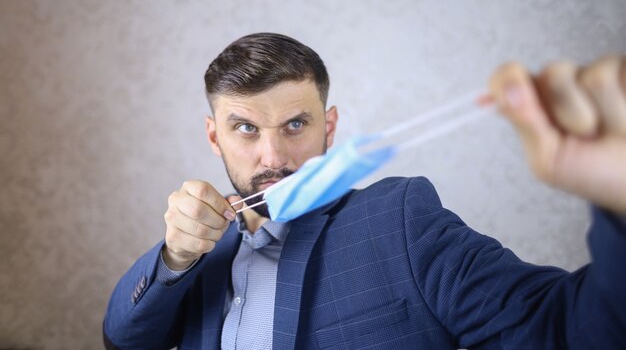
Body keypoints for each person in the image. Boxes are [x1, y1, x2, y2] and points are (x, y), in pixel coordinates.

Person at [103, 32, 626, 350]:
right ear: (214, 136)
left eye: (295, 125)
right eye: (245, 129)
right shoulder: (201, 250)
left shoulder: (397, 221)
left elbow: (566, 329)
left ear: (329, 127)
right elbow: (125, 341)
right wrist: (174, 257)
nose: (272, 157)